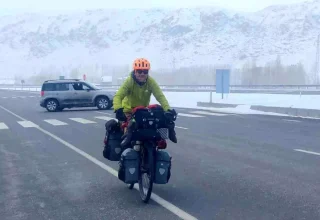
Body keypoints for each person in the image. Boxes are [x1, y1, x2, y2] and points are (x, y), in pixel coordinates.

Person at [113, 58, 177, 146]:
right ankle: (126, 148)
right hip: (129, 111)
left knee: (157, 121)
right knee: (129, 130)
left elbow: (160, 96)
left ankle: (168, 132)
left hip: (142, 111)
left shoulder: (151, 82)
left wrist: (168, 109)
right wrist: (118, 109)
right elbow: (118, 96)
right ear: (135, 71)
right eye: (139, 71)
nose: (142, 74)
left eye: (145, 71)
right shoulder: (129, 81)